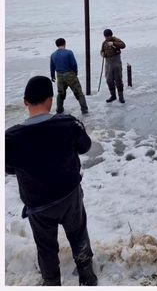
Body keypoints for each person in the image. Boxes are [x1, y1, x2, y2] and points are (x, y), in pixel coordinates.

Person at [5, 76, 97, 286]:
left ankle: (52, 282)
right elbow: (85, 146)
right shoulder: (68, 124)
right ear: (50, 100)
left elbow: (9, 168)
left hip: (38, 203)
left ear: (25, 101)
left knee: (45, 246)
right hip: (69, 194)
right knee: (78, 233)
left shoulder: (10, 138)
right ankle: (87, 276)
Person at [50, 38, 88, 114]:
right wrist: (75, 72)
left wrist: (52, 76)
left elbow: (52, 66)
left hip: (59, 76)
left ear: (56, 45)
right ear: (64, 43)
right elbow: (74, 64)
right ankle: (84, 110)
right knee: (79, 93)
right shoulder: (69, 52)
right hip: (69, 74)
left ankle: (59, 110)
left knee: (61, 93)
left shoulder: (53, 55)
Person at [100, 29, 126, 103]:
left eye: (108, 36)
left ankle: (121, 97)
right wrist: (102, 54)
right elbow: (101, 51)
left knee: (118, 80)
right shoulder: (104, 43)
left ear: (111, 35)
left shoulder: (116, 40)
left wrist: (114, 43)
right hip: (108, 63)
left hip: (116, 62)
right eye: (106, 36)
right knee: (109, 80)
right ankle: (113, 96)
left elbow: (123, 45)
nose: (107, 37)